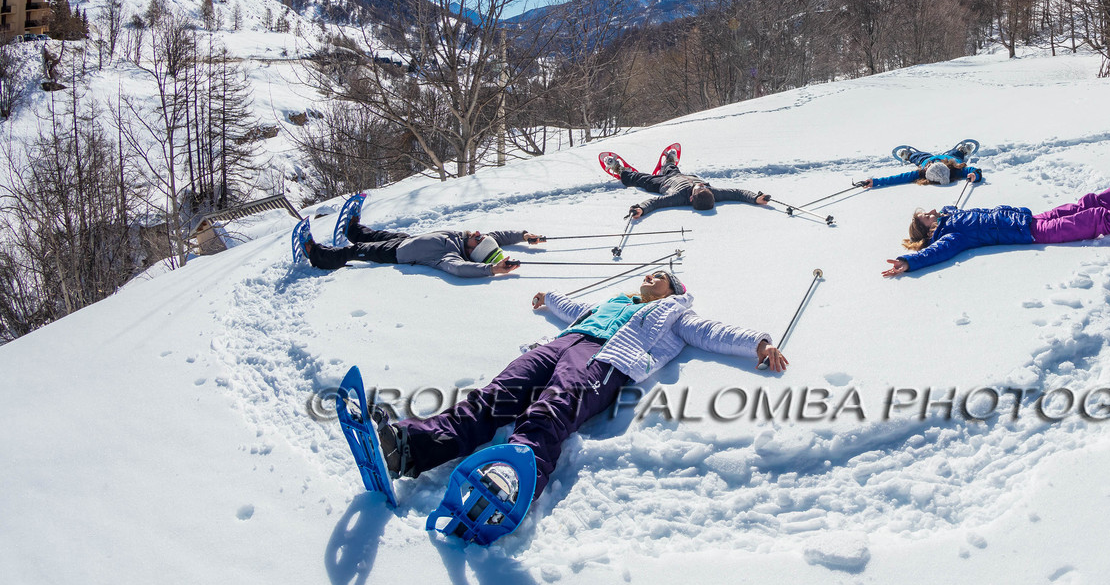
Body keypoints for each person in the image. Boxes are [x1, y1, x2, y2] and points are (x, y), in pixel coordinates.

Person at [370, 269, 789, 503]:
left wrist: (759, 343)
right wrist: (549, 298)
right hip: (561, 343)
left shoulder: (673, 314)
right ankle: (412, 446)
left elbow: (711, 331)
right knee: (496, 395)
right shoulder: (617, 301)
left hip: (604, 358)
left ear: (675, 291)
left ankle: (514, 475)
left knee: (553, 407)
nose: (650, 276)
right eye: (651, 273)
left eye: (660, 276)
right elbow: (575, 308)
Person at [881, 158, 1110, 276]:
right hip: (1034, 233)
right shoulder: (950, 236)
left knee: (1088, 203)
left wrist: (971, 175)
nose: (931, 211)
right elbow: (936, 253)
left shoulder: (951, 217)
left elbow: (954, 205)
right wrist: (910, 261)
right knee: (1096, 220)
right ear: (927, 230)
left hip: (1030, 219)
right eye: (925, 216)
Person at [303, 213, 545, 277]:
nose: (479, 233)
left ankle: (317, 255)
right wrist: (523, 235)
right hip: (406, 239)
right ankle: (353, 230)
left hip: (397, 254)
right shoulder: (465, 239)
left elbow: (459, 269)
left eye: (479, 239)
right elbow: (499, 235)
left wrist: (492, 269)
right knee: (376, 235)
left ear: (472, 251)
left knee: (356, 251)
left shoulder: (450, 256)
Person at [601, 147, 772, 219]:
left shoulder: (678, 197)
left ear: (691, 199)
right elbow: (737, 193)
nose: (702, 185)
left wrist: (641, 209)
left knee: (640, 179)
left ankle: (620, 170)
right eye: (704, 187)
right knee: (671, 168)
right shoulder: (714, 193)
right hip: (680, 175)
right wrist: (755, 198)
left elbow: (655, 202)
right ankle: (669, 162)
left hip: (664, 182)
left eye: (699, 188)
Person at [858, 140, 983, 189]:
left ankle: (909, 155)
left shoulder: (921, 172)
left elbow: (899, 178)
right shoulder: (956, 168)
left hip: (927, 158)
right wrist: (975, 175)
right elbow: (975, 170)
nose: (929, 165)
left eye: (928, 167)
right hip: (951, 158)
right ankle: (962, 151)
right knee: (956, 154)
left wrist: (875, 182)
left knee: (920, 158)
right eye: (931, 165)